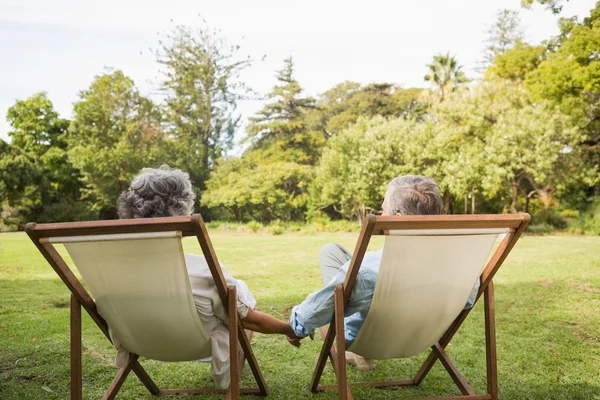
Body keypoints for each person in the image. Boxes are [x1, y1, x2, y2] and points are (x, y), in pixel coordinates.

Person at [117, 165, 299, 389]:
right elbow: (248, 319)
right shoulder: (203, 271)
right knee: (239, 295)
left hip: (141, 341)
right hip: (199, 342)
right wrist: (288, 328)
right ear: (182, 211)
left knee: (234, 295)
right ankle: (234, 368)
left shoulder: (114, 271)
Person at [287, 175, 480, 371]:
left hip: (366, 340)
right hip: (423, 336)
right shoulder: (465, 269)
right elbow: (468, 301)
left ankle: (357, 353)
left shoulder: (367, 271)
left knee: (345, 280)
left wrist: (296, 326)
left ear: (397, 220)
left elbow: (310, 314)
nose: (381, 214)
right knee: (332, 252)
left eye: (383, 210)